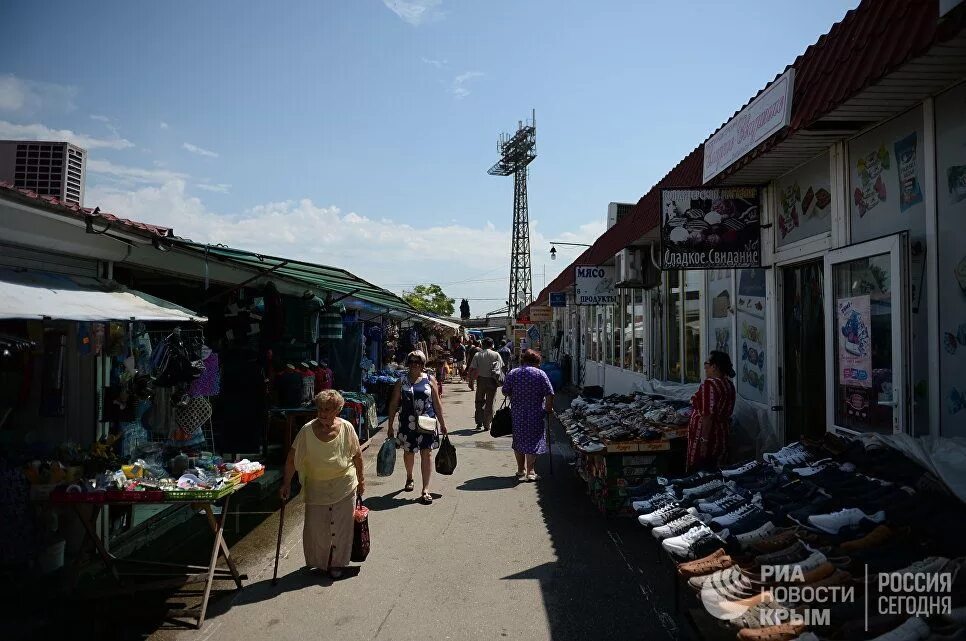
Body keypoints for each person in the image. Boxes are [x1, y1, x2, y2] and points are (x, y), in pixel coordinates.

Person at [280, 389, 364, 579]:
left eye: (327, 409)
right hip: (316, 487)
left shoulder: (347, 428)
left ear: (337, 410)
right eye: (320, 409)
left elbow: (357, 455)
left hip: (344, 484)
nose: (323, 414)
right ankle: (320, 561)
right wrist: (286, 484)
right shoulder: (307, 430)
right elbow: (292, 459)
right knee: (316, 528)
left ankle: (337, 564)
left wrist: (361, 481)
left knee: (342, 528)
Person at [386, 350, 448, 504]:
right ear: (408, 364)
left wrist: (443, 424)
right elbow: (393, 404)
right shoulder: (401, 381)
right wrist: (390, 426)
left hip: (427, 422)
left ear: (423, 364)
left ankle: (425, 489)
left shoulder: (430, 380)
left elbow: (437, 403)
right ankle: (409, 477)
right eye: (412, 362)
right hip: (407, 423)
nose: (415, 365)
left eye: (418, 362)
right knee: (409, 453)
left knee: (426, 454)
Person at [502, 349, 554, 482]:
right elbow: (549, 393)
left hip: (518, 413)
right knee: (533, 440)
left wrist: (516, 396)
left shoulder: (513, 373)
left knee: (519, 440)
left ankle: (520, 470)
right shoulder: (540, 374)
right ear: (537, 361)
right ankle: (531, 471)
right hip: (536, 412)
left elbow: (505, 391)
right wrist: (548, 408)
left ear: (523, 360)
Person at [687, 350, 737, 471]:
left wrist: (704, 441)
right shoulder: (728, 385)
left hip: (708, 436)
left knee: (702, 471)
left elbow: (708, 415)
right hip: (722, 435)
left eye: (707, 364)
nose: (705, 367)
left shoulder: (709, 385)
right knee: (717, 470)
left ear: (714, 366)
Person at [467, 337, 503, 431]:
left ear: (483, 345)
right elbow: (501, 367)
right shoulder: (496, 354)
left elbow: (472, 369)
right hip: (492, 381)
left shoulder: (478, 355)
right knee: (490, 403)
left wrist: (471, 381)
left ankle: (479, 422)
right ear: (492, 345)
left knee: (479, 401)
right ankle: (487, 424)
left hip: (481, 380)